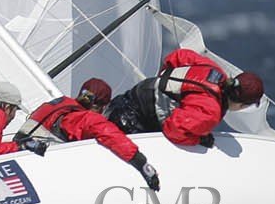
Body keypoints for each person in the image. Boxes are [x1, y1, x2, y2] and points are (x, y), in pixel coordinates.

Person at [19, 78, 161, 190]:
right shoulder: (86, 118)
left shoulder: (59, 104)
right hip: (37, 170)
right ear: (103, 106)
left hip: (20, 158)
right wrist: (141, 163)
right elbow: (111, 136)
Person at [104, 48, 264, 147]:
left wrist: (164, 80)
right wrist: (198, 139)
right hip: (130, 121)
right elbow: (174, 130)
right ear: (243, 105)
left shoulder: (214, 71)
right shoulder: (211, 112)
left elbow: (179, 55)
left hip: (129, 96)